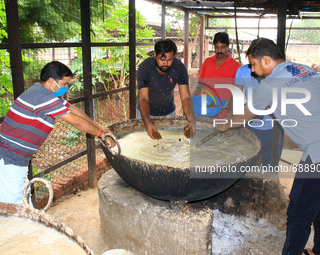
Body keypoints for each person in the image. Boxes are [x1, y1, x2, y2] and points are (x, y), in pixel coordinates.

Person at [216, 38, 320, 255]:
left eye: (253, 65)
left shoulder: (271, 83)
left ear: (266, 59)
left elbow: (247, 113)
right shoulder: (304, 70)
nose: (253, 71)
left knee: (299, 212)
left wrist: (225, 124)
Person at [0, 61, 115, 206]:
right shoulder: (42, 96)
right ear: (50, 81)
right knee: (14, 210)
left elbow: (74, 111)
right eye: (64, 84)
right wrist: (101, 134)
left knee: (23, 205)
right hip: (8, 160)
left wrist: (100, 128)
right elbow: (74, 121)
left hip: (15, 158)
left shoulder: (46, 93)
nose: (66, 88)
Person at [137, 39, 194, 139]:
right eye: (162, 59)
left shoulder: (179, 68)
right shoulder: (145, 68)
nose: (165, 63)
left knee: (170, 146)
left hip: (168, 112)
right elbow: (143, 99)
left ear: (174, 56)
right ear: (155, 54)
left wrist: (191, 119)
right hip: (145, 113)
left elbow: (185, 97)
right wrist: (147, 122)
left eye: (169, 60)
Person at [235, 64, 284, 167]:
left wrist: (265, 110)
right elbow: (236, 97)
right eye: (250, 63)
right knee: (248, 162)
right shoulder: (243, 71)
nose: (252, 69)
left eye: (254, 63)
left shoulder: (278, 74)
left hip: (272, 128)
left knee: (270, 165)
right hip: (250, 126)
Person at [198, 32, 240, 117]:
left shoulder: (236, 66)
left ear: (227, 46)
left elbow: (238, 91)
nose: (219, 50)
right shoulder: (207, 62)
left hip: (224, 112)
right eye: (216, 47)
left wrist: (230, 113)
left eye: (222, 47)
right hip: (206, 109)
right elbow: (200, 84)